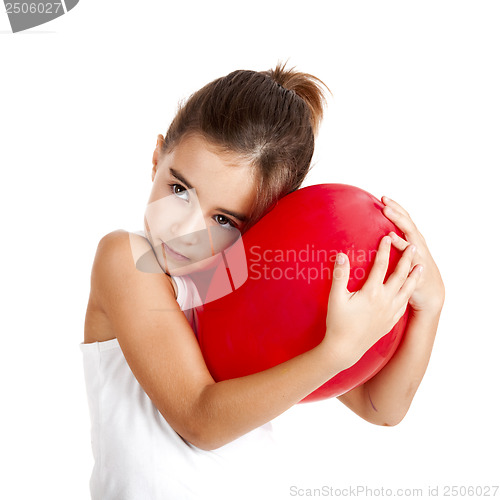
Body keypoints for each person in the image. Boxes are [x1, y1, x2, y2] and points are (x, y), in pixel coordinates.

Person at [81, 62, 445, 499]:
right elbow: (199, 420)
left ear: (258, 227)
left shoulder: (250, 283)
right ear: (158, 156)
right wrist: (336, 351)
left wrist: (429, 306)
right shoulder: (127, 259)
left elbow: (379, 406)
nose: (185, 231)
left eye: (222, 219)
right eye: (180, 190)